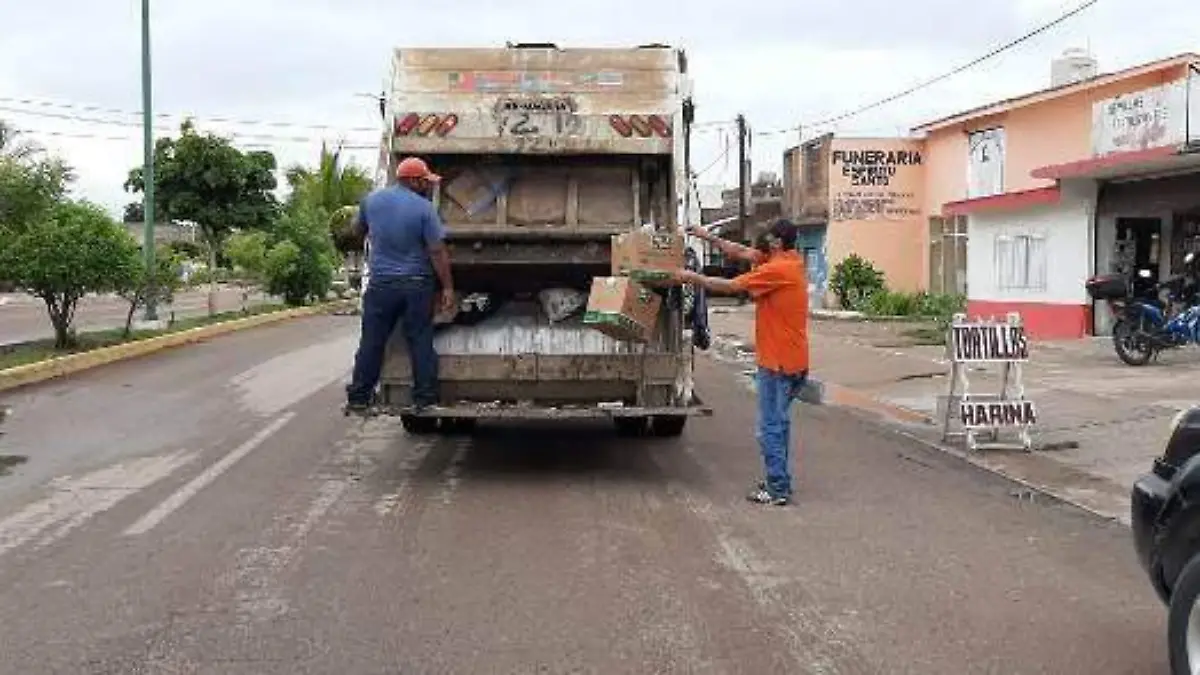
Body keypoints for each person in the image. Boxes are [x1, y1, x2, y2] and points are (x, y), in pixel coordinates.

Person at [668, 219, 809, 506]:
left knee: (769, 427)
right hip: (795, 361)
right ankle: (778, 479)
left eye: (767, 236)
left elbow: (731, 286)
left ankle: (777, 488)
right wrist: (706, 236)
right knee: (779, 424)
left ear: (776, 242)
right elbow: (741, 252)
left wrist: (689, 277)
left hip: (778, 363)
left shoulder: (776, 270)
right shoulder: (789, 260)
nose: (762, 240)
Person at [345, 157, 455, 416]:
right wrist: (448, 287)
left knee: (372, 340)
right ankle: (424, 400)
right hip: (416, 286)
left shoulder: (371, 201)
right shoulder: (424, 209)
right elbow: (437, 251)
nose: (428, 186)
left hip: (381, 284)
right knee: (419, 339)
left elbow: (356, 230)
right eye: (425, 182)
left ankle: (359, 397)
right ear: (414, 181)